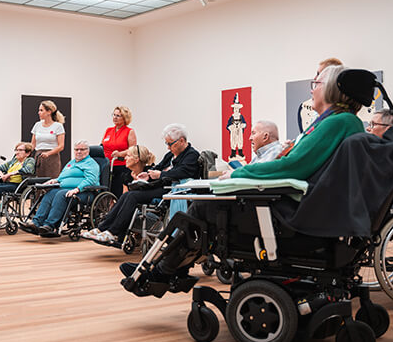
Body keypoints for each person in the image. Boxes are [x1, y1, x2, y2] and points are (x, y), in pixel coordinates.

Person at [122, 66, 368, 283]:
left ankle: (164, 270)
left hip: (292, 214)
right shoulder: (343, 122)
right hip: (306, 208)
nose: (311, 90)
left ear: (333, 90)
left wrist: (241, 174)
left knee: (200, 209)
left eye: (316, 84)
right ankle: (168, 267)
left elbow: (292, 166)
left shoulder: (337, 122)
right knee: (199, 208)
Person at [91, 124, 200, 245]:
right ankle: (102, 228)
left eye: (170, 144)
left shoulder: (192, 155)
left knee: (132, 196)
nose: (168, 147)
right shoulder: (170, 155)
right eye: (167, 144)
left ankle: (113, 232)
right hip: (161, 186)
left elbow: (182, 172)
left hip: (173, 189)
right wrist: (147, 174)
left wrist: (160, 175)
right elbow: (159, 167)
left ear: (181, 141)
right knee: (127, 195)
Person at [81, 144, 155, 240]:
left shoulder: (150, 173)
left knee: (129, 198)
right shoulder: (127, 175)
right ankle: (102, 228)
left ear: (136, 160)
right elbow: (124, 195)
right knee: (123, 200)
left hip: (147, 201)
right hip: (131, 201)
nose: (125, 158)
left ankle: (112, 232)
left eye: (128, 156)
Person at [26, 140, 99, 237]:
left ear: (88, 151)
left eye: (82, 149)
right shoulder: (71, 163)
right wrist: (55, 180)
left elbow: (91, 180)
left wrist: (77, 189)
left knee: (61, 194)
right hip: (66, 190)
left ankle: (50, 225)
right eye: (76, 149)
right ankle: (36, 223)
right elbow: (62, 176)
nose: (79, 152)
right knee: (50, 193)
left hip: (84, 192)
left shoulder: (91, 163)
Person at [101, 105, 137, 196]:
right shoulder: (108, 130)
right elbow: (102, 145)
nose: (115, 117)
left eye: (118, 116)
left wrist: (120, 154)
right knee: (106, 190)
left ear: (125, 118)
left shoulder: (129, 131)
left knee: (117, 191)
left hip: (121, 165)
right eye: (114, 115)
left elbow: (133, 149)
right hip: (107, 165)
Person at [31, 100, 65, 178]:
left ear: (49, 112)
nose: (38, 112)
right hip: (39, 156)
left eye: (41, 110)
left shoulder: (58, 126)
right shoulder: (37, 125)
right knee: (38, 182)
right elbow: (32, 144)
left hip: (52, 157)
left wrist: (48, 153)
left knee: (51, 181)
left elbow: (61, 146)